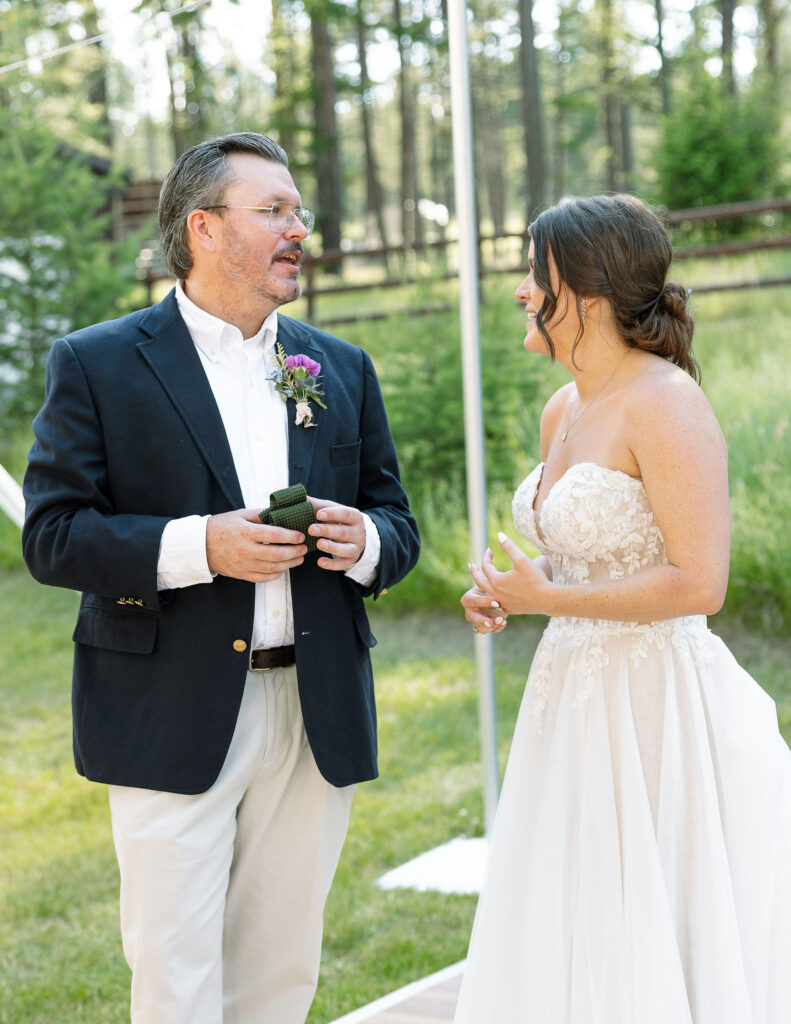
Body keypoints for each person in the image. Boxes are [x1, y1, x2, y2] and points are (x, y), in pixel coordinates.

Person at [22, 132, 419, 1024]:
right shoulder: (97, 363)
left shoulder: (340, 366)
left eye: (298, 212)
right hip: (169, 704)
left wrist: (361, 543)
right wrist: (203, 547)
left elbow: (397, 526)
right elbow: (53, 537)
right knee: (176, 973)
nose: (298, 231)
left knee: (281, 974)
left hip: (314, 707)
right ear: (203, 227)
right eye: (274, 211)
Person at [457, 194, 791, 1024]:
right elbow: (585, 553)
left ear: (588, 294)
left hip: (655, 706)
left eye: (534, 276)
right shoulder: (561, 409)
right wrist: (514, 591)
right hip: (571, 698)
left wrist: (553, 597)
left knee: (654, 899)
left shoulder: (665, 403)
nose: (519, 292)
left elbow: (697, 582)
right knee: (573, 897)